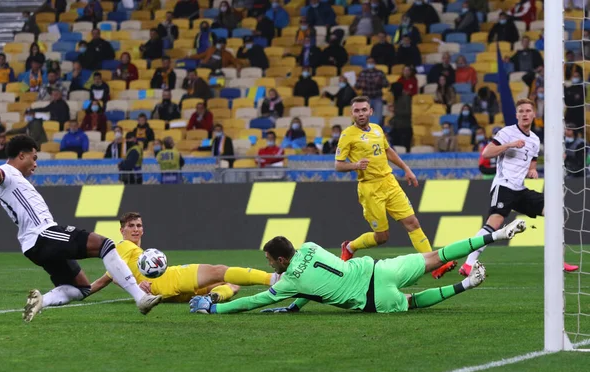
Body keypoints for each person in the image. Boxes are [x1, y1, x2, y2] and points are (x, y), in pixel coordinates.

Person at [188, 220, 527, 314]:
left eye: (269, 261)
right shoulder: (309, 245)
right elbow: (314, 282)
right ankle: (493, 235)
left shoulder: (290, 280)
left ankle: (464, 287)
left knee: (411, 302)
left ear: (279, 260)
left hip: (372, 299)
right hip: (380, 269)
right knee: (436, 256)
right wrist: (297, 304)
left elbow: (254, 300)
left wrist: (217, 311)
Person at [0, 135, 161, 322]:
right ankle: (141, 298)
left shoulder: (4, 185)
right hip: (43, 234)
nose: (36, 164)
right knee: (105, 245)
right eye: (34, 158)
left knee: (82, 288)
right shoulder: (5, 173)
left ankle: (41, 301)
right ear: (21, 156)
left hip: (32, 246)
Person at [335, 96, 456, 279]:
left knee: (412, 222)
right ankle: (350, 246)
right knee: (382, 237)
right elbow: (338, 165)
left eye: (363, 110)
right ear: (352, 113)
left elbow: (388, 150)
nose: (360, 114)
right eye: (357, 111)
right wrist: (355, 165)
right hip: (370, 189)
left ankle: (435, 265)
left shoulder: (377, 129)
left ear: (370, 112)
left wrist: (406, 169)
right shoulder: (347, 135)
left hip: (389, 182)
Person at [459, 99, 579, 275]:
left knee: (556, 213)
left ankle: (559, 261)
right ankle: (469, 263)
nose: (525, 114)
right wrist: (509, 145)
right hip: (504, 185)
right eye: (521, 111)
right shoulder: (507, 133)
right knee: (495, 223)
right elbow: (486, 153)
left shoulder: (535, 140)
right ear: (516, 115)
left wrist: (532, 171)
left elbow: (531, 161)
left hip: (520, 189)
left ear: (533, 114)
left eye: (528, 110)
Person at [86, 212, 281, 303]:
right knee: (219, 271)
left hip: (166, 294)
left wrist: (136, 287)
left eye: (139, 225)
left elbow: (111, 278)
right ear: (122, 230)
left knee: (232, 285)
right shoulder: (124, 246)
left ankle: (212, 299)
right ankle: (272, 279)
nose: (136, 229)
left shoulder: (130, 253)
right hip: (169, 278)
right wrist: (138, 286)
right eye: (131, 226)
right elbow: (107, 278)